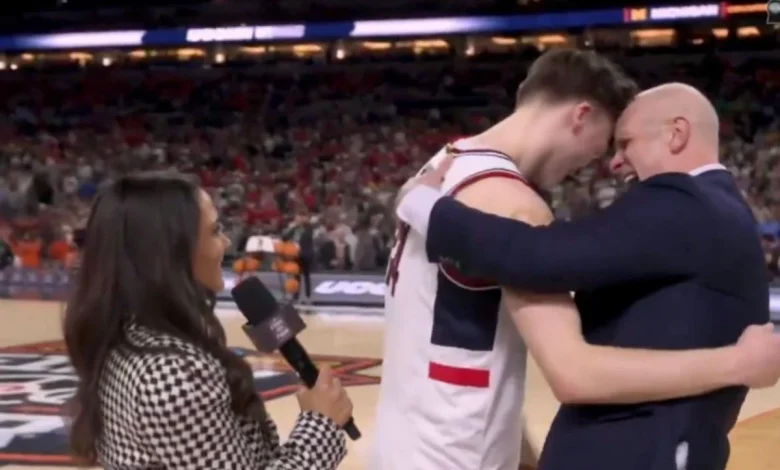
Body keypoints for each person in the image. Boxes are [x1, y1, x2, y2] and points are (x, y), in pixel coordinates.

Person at [395, 80, 780, 470]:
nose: (614, 162)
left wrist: (422, 204)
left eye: (625, 142)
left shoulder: (683, 201)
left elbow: (537, 256)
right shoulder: (721, 210)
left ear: (676, 134)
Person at [62, 171, 353, 470]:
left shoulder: (129, 335)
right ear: (172, 253)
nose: (226, 242)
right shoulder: (172, 373)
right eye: (215, 232)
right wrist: (321, 425)